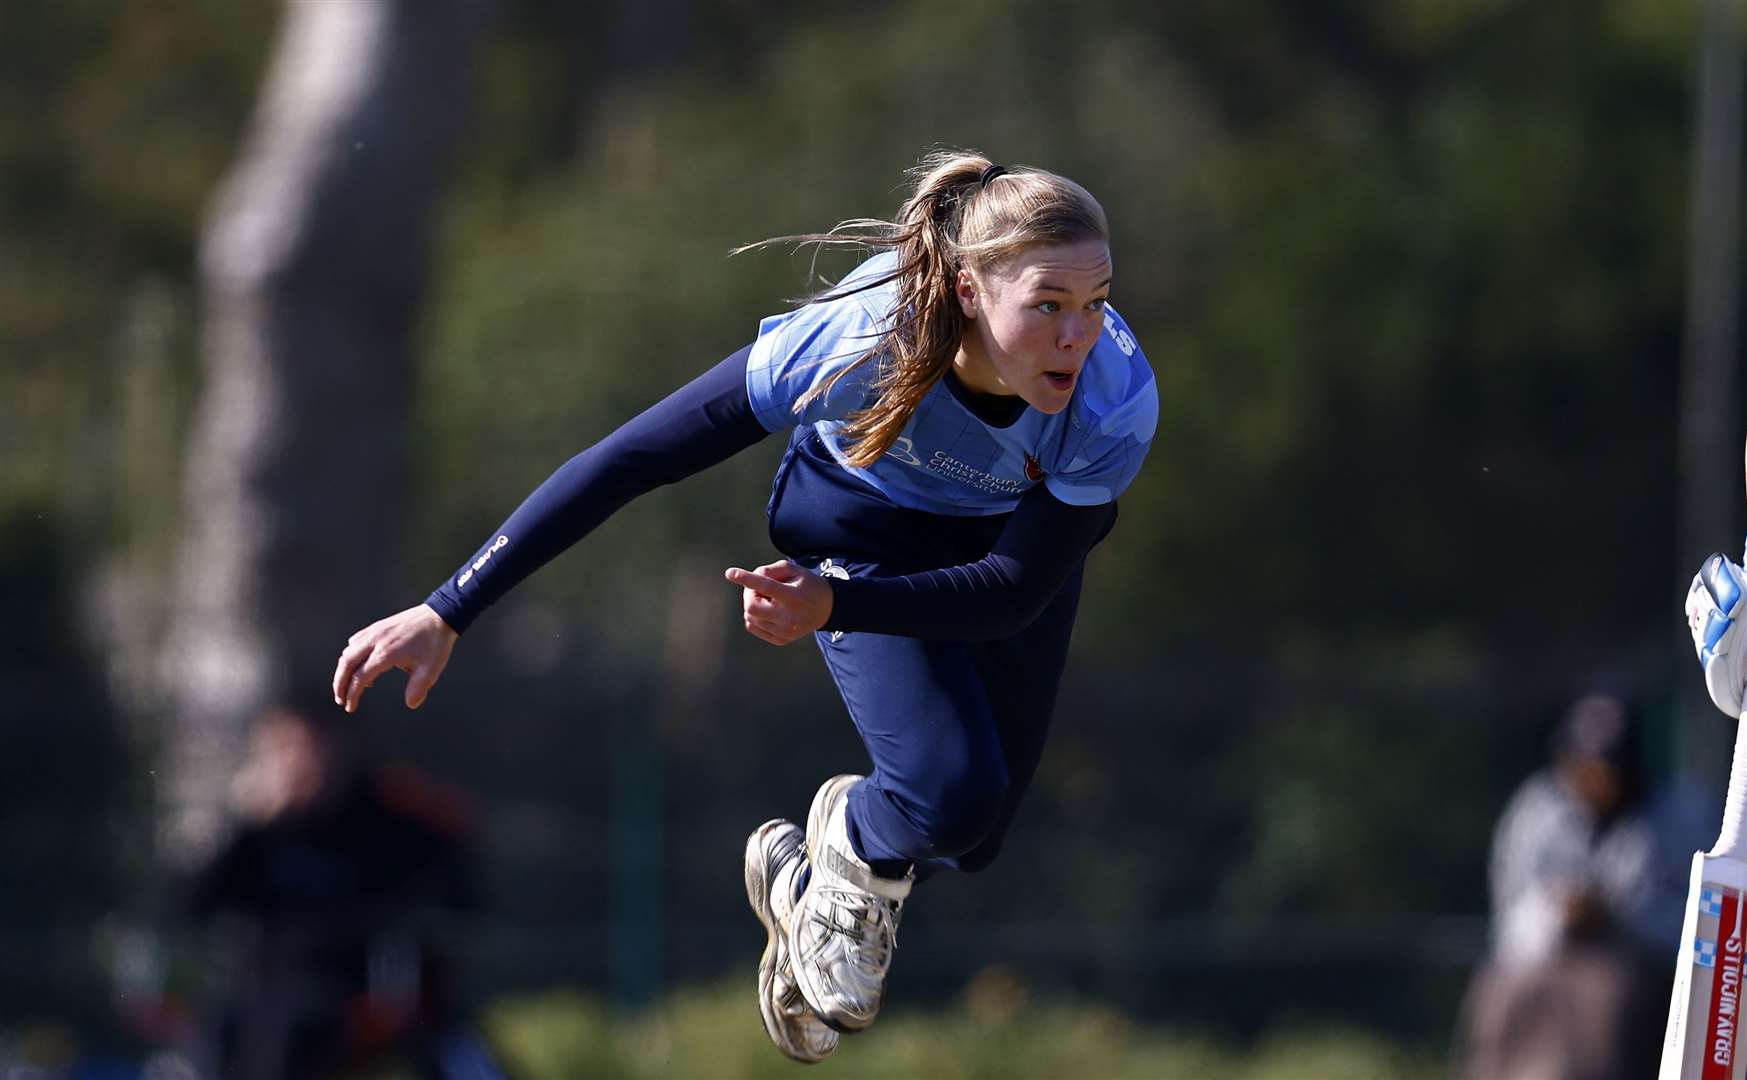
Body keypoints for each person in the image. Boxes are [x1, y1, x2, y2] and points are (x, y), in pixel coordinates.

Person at [331, 149, 1157, 1063]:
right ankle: (853, 851)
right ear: (966, 291)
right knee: (952, 798)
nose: (1077, 335)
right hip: (861, 527)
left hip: (994, 560)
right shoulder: (855, 342)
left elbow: (1007, 593)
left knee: (974, 831)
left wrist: (835, 606)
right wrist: (449, 607)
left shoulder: (1114, 402)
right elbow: (632, 458)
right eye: (1046, 304)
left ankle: (825, 868)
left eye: (1096, 302)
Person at [186, 705, 501, 1079]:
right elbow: (194, 906)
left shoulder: (392, 816)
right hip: (275, 988)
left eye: (309, 748)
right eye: (283, 750)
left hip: (373, 980)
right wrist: (239, 825)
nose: (299, 764)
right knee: (226, 1039)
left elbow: (459, 895)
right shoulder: (257, 836)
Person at [1452, 687, 1709, 1079]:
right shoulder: (1536, 811)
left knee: (1609, 1003)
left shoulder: (1680, 815)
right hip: (1547, 960)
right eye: (1583, 761)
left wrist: (1612, 918)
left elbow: (1695, 927)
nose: (1594, 775)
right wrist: (1557, 913)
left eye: (1607, 764)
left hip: (1640, 970)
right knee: (1502, 992)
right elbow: (1509, 924)